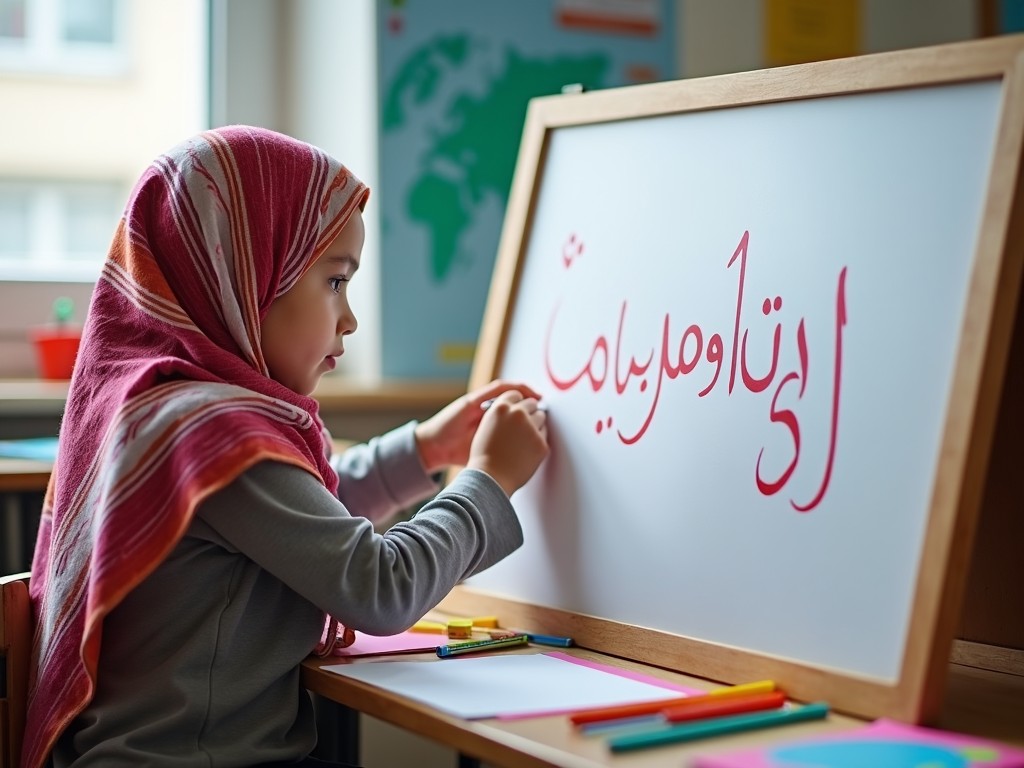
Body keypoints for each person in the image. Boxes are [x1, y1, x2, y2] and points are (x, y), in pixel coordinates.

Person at [23, 125, 549, 768]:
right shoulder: (209, 430)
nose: (349, 317)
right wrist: (489, 480)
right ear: (246, 275)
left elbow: (302, 520)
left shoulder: (160, 408)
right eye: (335, 281)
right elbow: (378, 586)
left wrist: (426, 448)